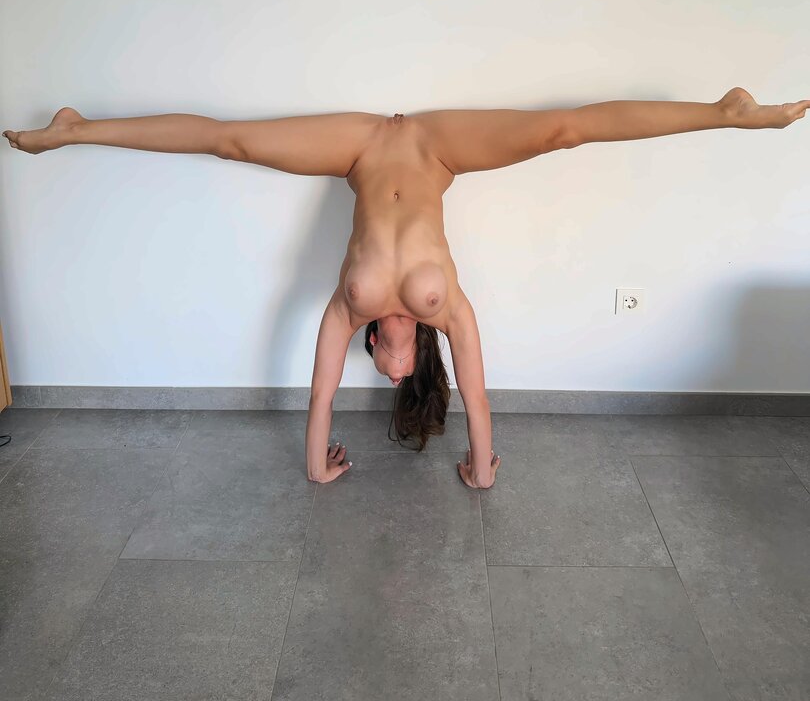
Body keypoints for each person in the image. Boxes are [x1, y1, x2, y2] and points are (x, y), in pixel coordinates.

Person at [4, 87, 807, 489]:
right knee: (559, 131)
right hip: (436, 149)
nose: (388, 375)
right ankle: (726, 112)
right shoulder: (444, 310)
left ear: (372, 343)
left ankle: (77, 131)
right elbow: (480, 400)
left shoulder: (345, 306)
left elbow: (319, 397)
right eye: (400, 379)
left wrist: (316, 468)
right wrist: (481, 471)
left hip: (359, 148)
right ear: (417, 354)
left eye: (381, 374)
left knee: (232, 143)